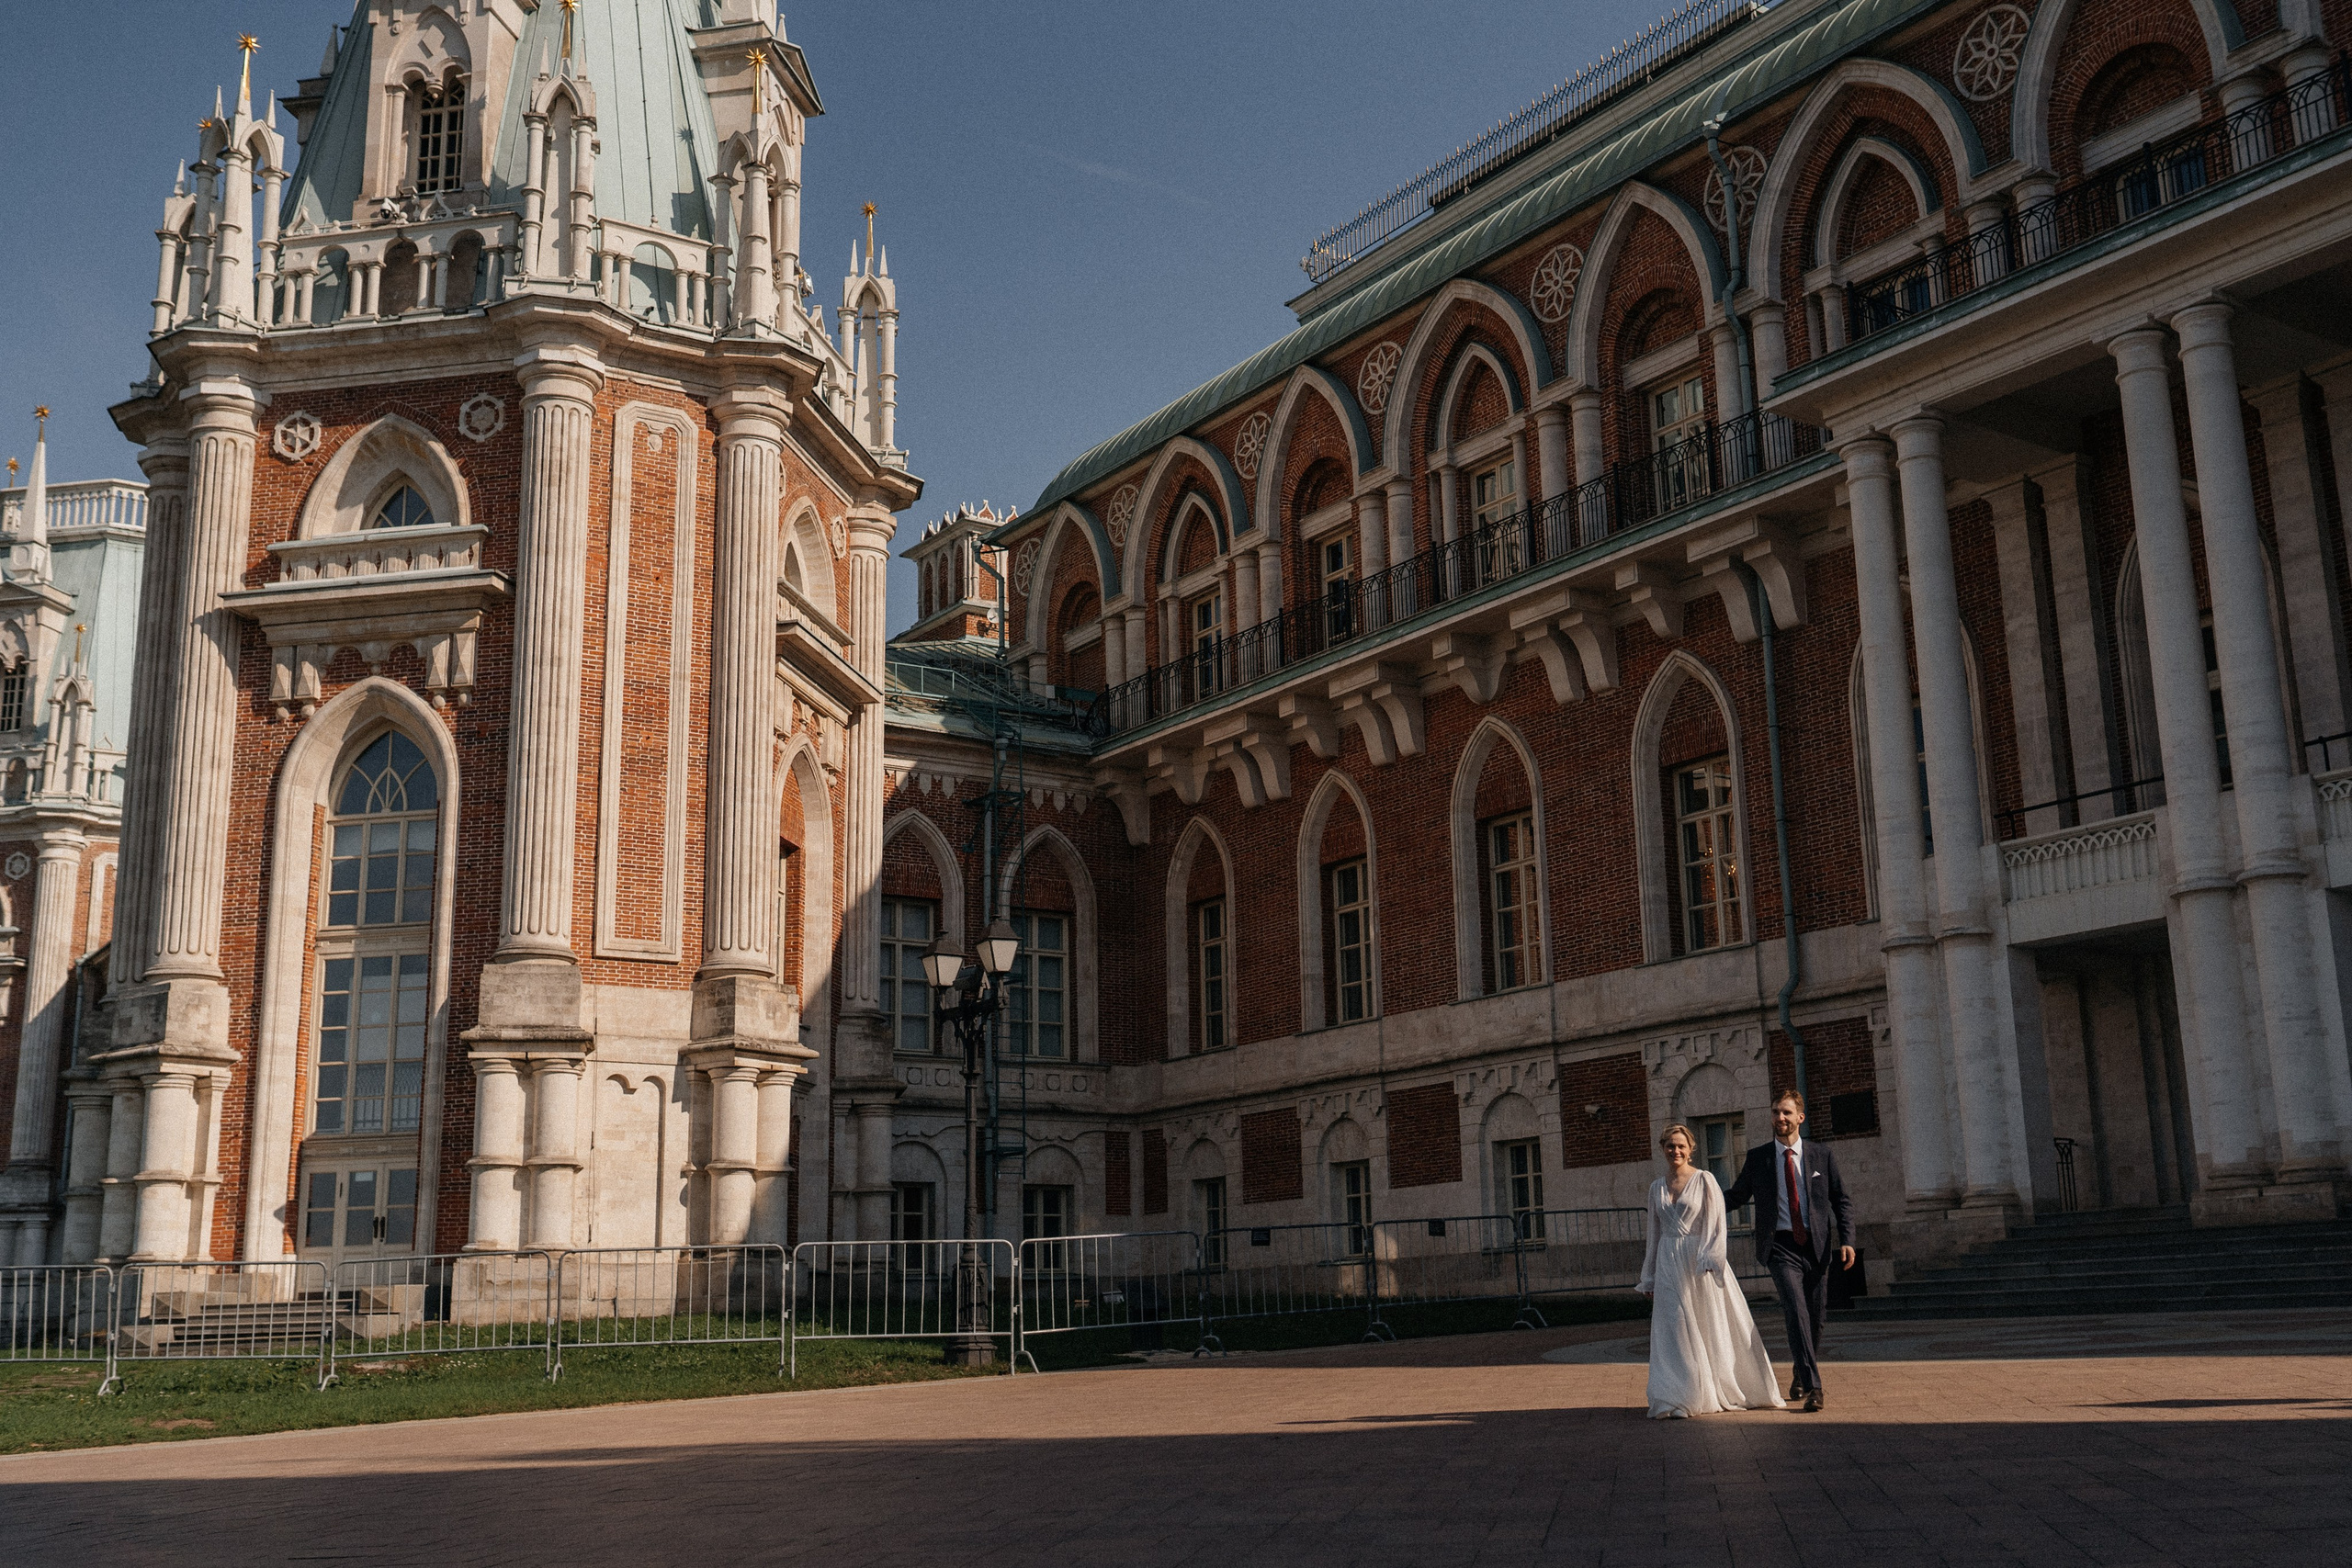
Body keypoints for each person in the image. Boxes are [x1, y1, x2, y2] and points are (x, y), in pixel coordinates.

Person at [1637, 1122, 1783, 1419]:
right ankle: (1677, 1394)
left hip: (1699, 1261)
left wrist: (1709, 1259)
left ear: (1691, 1149)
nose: (1675, 1151)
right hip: (1668, 1260)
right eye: (1670, 1146)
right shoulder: (1656, 1187)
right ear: (1663, 1149)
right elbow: (1654, 1234)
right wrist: (1648, 1276)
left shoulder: (1705, 1180)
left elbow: (1717, 1224)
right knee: (1673, 1328)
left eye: (1681, 1146)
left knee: (1706, 1325)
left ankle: (1714, 1387)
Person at [1722, 1089, 1855, 1413]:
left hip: (1817, 1247)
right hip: (1780, 1246)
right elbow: (1737, 1196)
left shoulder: (1821, 1156)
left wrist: (1847, 1239)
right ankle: (1814, 1387)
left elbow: (1841, 1199)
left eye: (1785, 1112)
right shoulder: (1758, 1158)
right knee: (1795, 1310)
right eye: (1775, 1112)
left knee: (1816, 1317)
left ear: (1800, 1117)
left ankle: (1800, 1371)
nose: (1779, 1118)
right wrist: (1700, 1200)